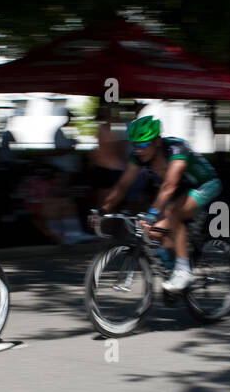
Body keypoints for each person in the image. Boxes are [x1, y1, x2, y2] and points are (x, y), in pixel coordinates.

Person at [91, 115, 221, 293]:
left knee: (173, 213)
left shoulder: (176, 149)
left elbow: (169, 186)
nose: (139, 150)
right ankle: (172, 267)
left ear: (157, 142)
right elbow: (122, 185)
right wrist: (103, 209)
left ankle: (183, 271)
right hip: (179, 191)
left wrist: (151, 214)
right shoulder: (138, 157)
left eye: (144, 145)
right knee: (154, 232)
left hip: (204, 184)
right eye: (135, 145)